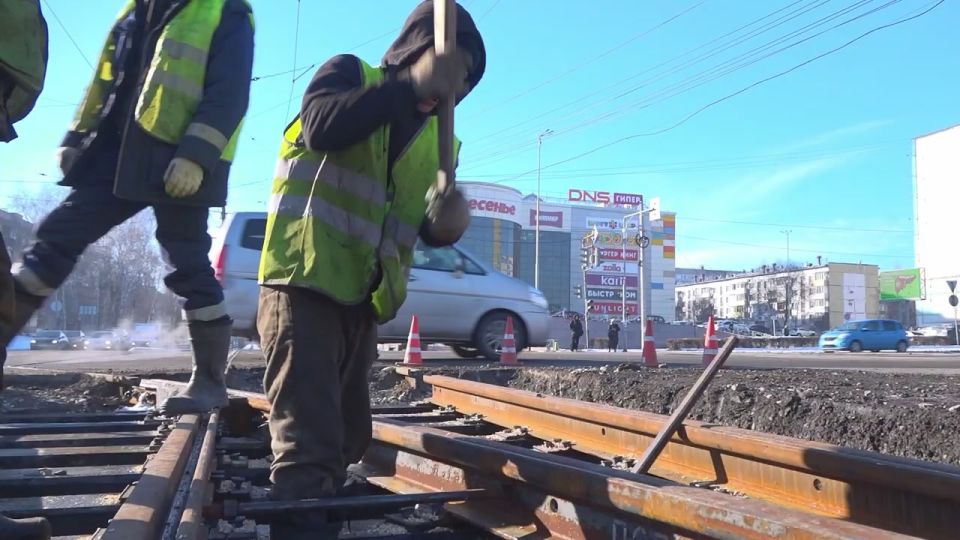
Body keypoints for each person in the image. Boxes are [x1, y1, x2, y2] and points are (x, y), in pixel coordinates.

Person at [256, 1, 485, 536]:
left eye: (465, 79)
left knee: (348, 435)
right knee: (307, 449)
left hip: (361, 302)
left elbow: (418, 224)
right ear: (413, 50)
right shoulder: (350, 76)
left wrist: (447, 223)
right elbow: (321, 127)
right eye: (450, 66)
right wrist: (409, 84)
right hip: (303, 285)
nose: (452, 86)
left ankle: (319, 516)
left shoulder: (440, 143)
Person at [0, 0, 255, 418]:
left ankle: (210, 382)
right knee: (56, 237)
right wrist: (76, 138)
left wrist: (197, 155)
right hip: (117, 154)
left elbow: (230, 92)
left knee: (187, 264)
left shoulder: (224, 10)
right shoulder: (134, 9)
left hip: (177, 157)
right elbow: (106, 82)